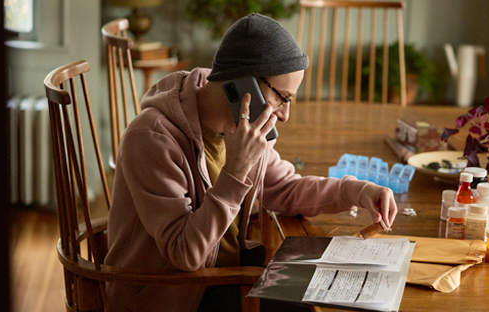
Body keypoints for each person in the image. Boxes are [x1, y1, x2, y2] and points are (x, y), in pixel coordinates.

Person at [104, 13, 398, 312]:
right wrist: (236, 170)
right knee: (307, 307)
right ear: (244, 83)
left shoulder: (242, 129)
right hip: (171, 295)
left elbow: (285, 188)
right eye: (282, 98)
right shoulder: (152, 138)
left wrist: (358, 192)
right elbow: (185, 254)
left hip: (222, 277)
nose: (284, 114)